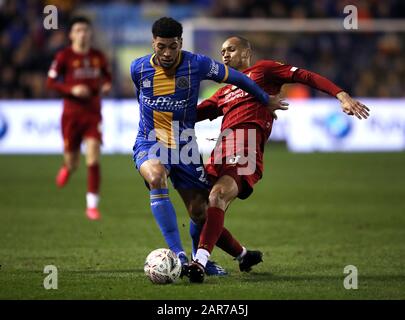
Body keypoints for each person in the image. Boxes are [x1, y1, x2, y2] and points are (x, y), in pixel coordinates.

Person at [187, 36, 370, 283]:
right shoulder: (224, 91)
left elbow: (306, 76)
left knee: (217, 196)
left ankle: (199, 262)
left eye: (231, 49)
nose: (225, 55)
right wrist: (161, 111)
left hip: (246, 149)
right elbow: (193, 115)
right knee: (199, 212)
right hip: (218, 152)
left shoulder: (264, 70)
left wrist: (341, 95)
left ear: (247, 52)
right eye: (222, 51)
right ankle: (243, 256)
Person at [130, 18, 283, 276]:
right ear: (153, 44)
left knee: (201, 212)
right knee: (157, 177)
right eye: (161, 47)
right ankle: (178, 256)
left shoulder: (197, 64)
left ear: (181, 43)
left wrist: (265, 98)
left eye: (172, 47)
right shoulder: (138, 68)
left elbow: (237, 78)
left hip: (186, 146)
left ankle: (221, 257)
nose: (167, 53)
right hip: (152, 139)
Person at [47, 16, 112, 220]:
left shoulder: (98, 56)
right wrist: (71, 89)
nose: (82, 33)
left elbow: (107, 76)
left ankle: (91, 205)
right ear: (71, 34)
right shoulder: (63, 56)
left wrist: (107, 85)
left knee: (93, 157)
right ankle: (67, 167)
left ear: (90, 33)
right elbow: (50, 82)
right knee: (73, 161)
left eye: (85, 29)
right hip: (71, 116)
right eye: (78, 30)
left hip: (92, 114)